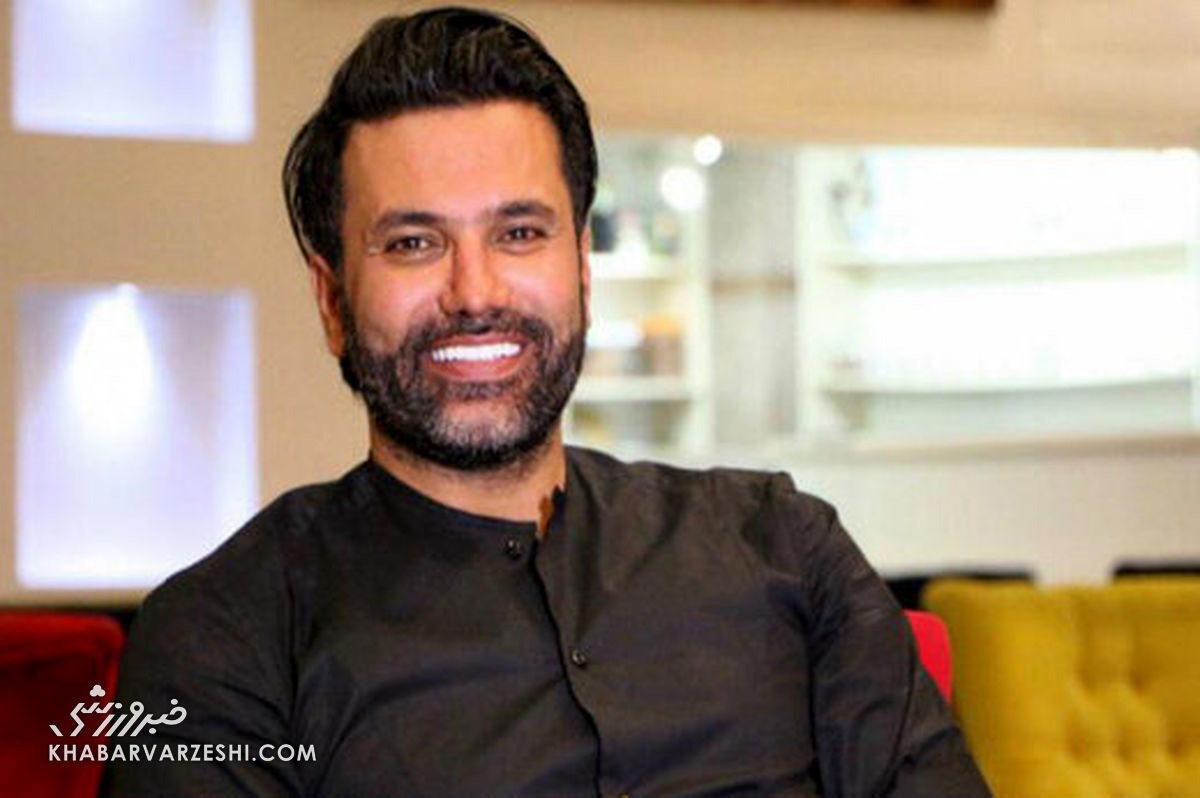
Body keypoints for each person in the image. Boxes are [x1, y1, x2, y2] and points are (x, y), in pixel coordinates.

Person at [107, 7, 991, 797]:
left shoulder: (785, 546)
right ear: (333, 300)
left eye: (520, 233)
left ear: (582, 271)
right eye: (413, 243)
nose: (474, 292)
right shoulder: (224, 637)